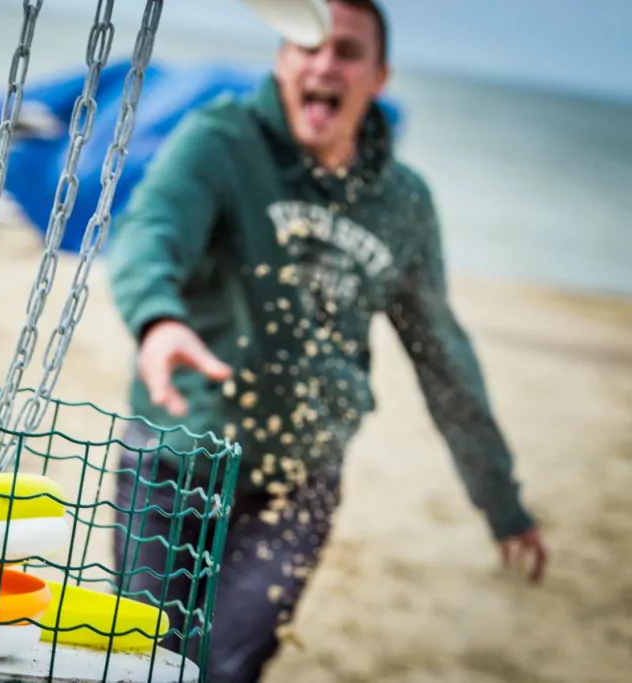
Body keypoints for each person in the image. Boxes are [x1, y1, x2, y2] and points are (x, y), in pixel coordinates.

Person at [105, 1, 549, 681]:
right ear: (282, 58)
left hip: (298, 484)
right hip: (177, 457)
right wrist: (158, 319)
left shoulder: (403, 201)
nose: (322, 63)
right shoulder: (221, 141)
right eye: (305, 45)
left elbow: (443, 357)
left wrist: (501, 499)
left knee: (228, 668)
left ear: (378, 76)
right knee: (144, 665)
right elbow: (148, 231)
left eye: (346, 51)